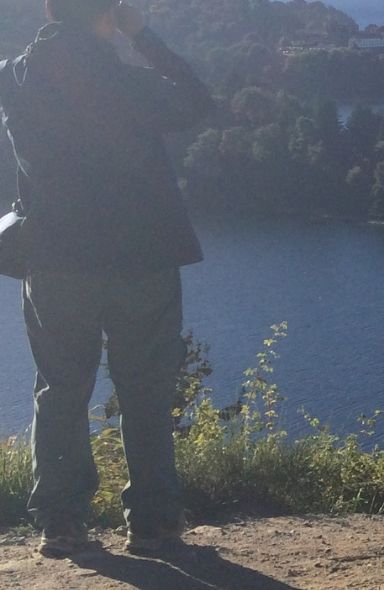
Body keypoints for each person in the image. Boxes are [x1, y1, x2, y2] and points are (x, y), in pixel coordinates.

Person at [0, 0, 215, 558]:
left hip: (55, 260)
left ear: (50, 12)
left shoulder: (16, 78)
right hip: (140, 260)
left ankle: (62, 524)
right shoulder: (132, 83)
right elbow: (199, 101)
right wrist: (142, 35)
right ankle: (153, 525)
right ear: (108, 16)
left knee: (61, 388)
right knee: (145, 389)